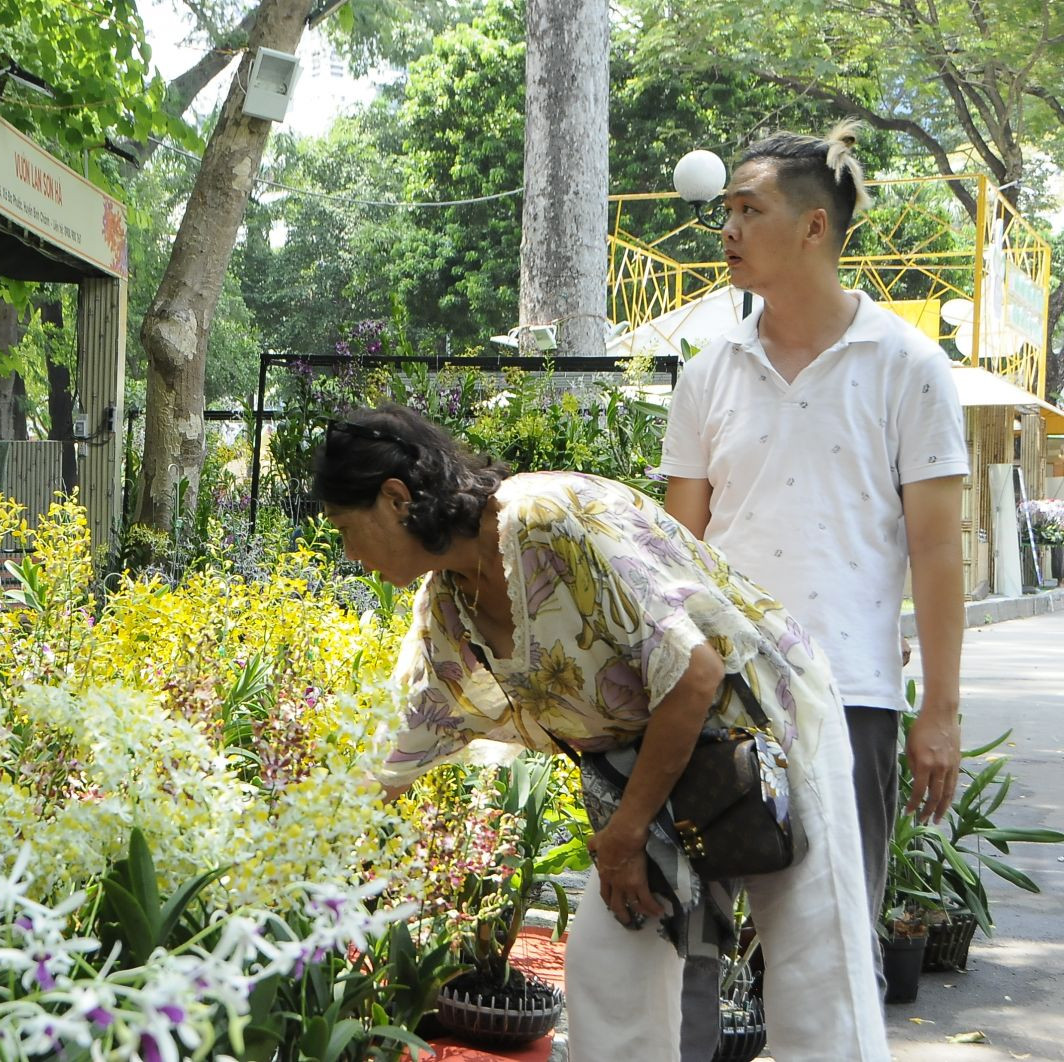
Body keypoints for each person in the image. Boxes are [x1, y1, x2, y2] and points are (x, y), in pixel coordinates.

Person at [314, 406, 888, 1061]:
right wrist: (305, 862)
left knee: (816, 984)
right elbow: (401, 744)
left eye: (344, 527)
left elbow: (694, 674)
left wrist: (628, 830)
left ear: (395, 500)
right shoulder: (450, 603)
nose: (348, 552)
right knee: (611, 975)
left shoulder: (547, 521)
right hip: (662, 773)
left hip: (771, 730)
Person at [658, 123, 968, 1046]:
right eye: (727, 212)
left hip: (849, 698)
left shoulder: (906, 365)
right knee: (686, 941)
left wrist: (940, 711)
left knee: (828, 953)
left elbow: (938, 551)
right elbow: (678, 551)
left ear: (814, 227)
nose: (729, 229)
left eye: (750, 209)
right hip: (715, 695)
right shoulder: (709, 376)